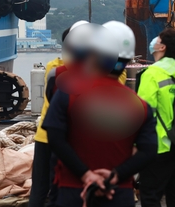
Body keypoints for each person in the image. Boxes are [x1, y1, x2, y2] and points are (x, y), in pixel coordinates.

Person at [43, 24, 158, 207]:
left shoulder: (68, 94)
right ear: (126, 62)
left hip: (73, 192)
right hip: (118, 194)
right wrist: (116, 175)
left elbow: (55, 138)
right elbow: (149, 150)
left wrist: (86, 174)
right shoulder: (141, 106)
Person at [29, 20, 88, 207]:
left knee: (39, 186)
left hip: (44, 134)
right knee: (64, 187)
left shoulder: (52, 67)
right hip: (67, 140)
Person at [137, 28, 175, 207]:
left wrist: (135, 144)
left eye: (158, 40)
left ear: (162, 47)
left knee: (150, 195)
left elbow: (143, 112)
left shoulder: (152, 74)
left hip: (158, 144)